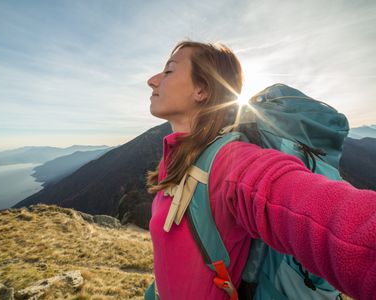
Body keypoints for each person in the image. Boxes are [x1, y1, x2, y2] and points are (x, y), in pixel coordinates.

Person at [146, 40, 376, 300]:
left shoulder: (229, 162)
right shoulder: (177, 161)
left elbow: (322, 217)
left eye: (168, 71)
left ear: (202, 89)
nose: (152, 80)